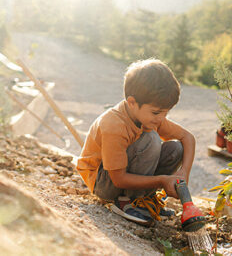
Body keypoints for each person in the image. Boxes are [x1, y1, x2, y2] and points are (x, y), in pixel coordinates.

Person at [77, 59, 196, 227]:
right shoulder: (114, 125)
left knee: (176, 147)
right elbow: (118, 179)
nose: (162, 118)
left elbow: (188, 137)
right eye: (156, 112)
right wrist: (162, 180)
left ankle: (143, 198)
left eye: (166, 112)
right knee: (151, 139)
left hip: (122, 176)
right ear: (132, 102)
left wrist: (183, 173)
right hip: (105, 182)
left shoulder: (151, 118)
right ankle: (125, 202)